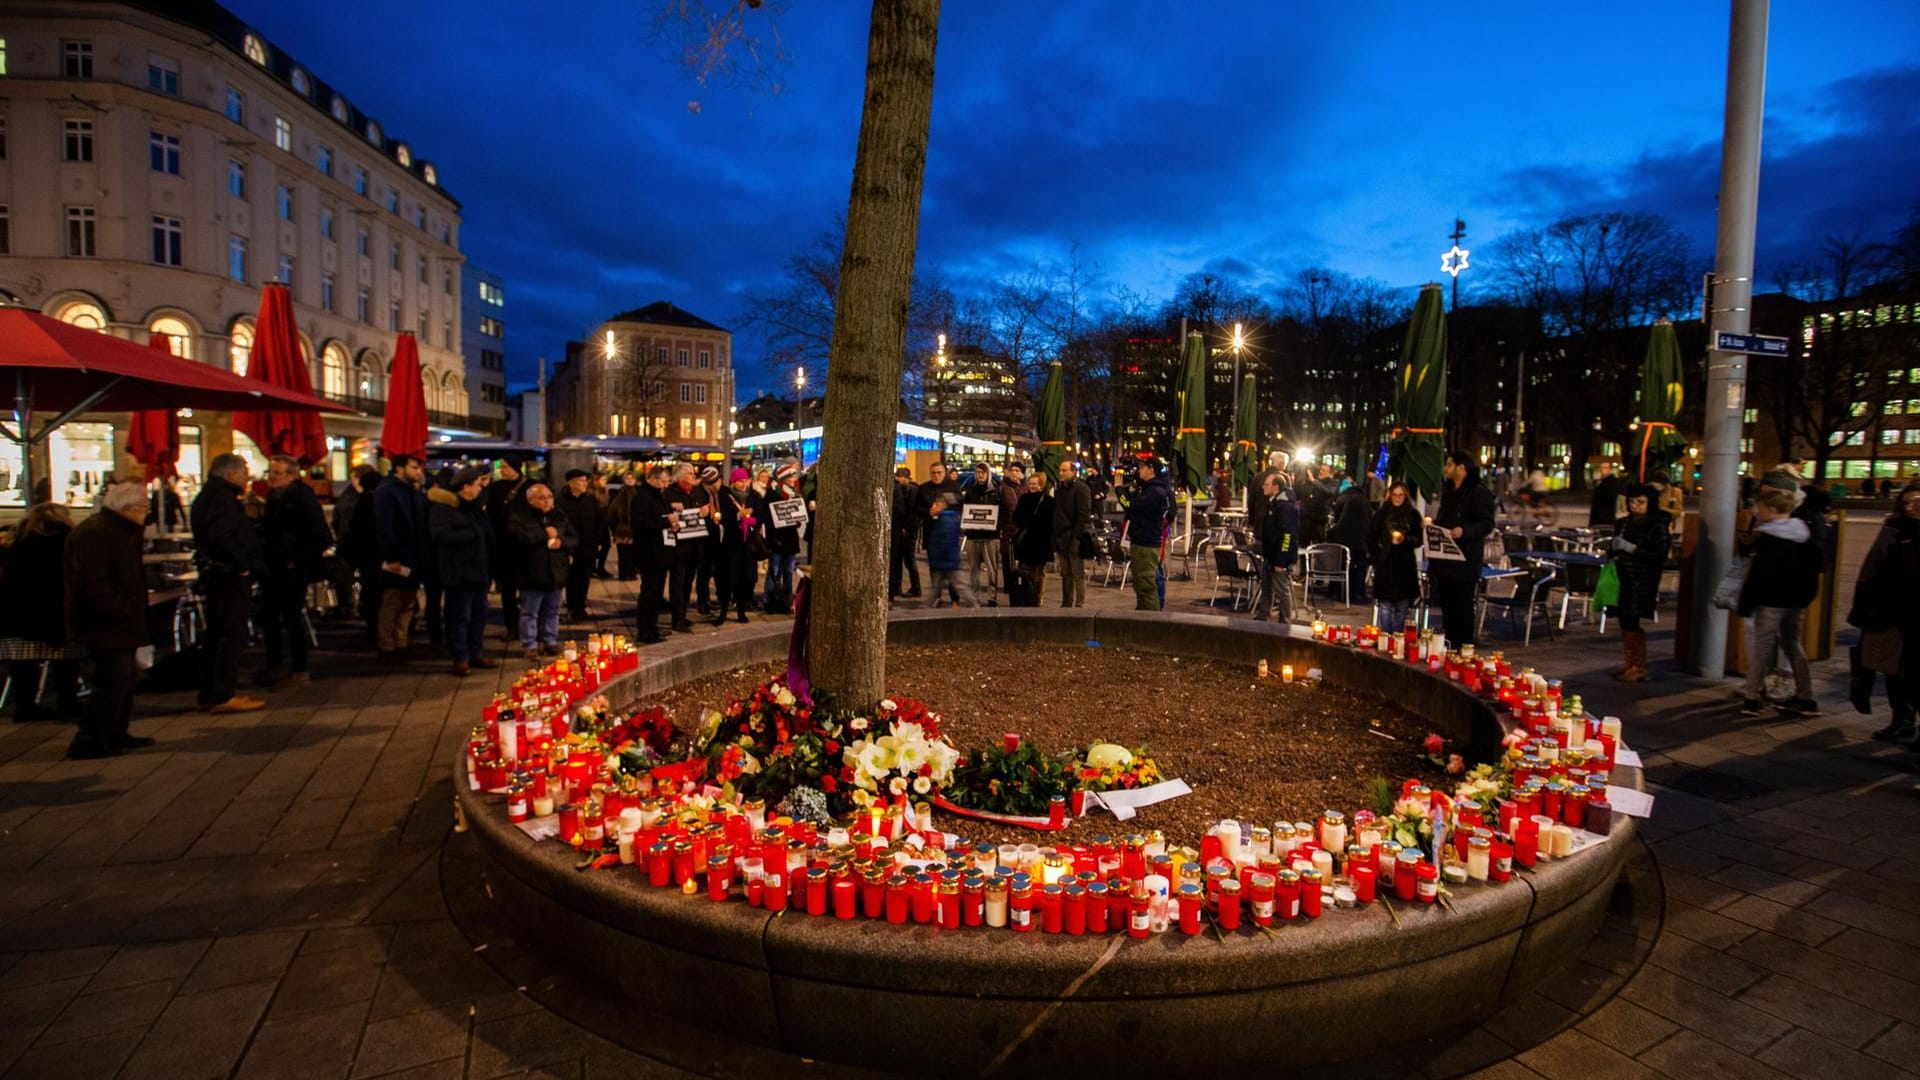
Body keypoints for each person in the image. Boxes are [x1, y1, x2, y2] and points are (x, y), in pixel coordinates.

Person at [63, 483, 151, 758]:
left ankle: (114, 733)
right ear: (129, 508)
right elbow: (93, 582)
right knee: (111, 680)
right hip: (103, 621)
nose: (147, 513)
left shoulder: (120, 530)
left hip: (116, 619)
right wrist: (121, 608)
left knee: (123, 679)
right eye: (144, 508)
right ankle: (90, 740)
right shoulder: (98, 533)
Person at [190, 453, 267, 712]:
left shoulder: (212, 496)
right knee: (230, 633)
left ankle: (211, 692)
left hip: (220, 573)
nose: (247, 478)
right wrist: (242, 564)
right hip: (227, 575)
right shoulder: (222, 499)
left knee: (218, 633)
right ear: (231, 474)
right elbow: (221, 536)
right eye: (244, 473)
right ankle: (222, 694)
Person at [1735, 487, 1821, 715]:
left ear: (1771, 510)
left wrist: (1746, 601)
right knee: (1793, 645)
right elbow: (1814, 568)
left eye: (1759, 508)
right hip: (1796, 601)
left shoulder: (1770, 537)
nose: (1756, 512)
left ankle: (1752, 696)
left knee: (1762, 646)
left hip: (1770, 600)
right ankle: (1806, 697)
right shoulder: (1803, 533)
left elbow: (1759, 574)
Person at [1852, 482, 1920, 746]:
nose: (1913, 508)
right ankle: (1901, 719)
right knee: (1893, 669)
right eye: (1908, 503)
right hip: (1893, 611)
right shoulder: (1894, 529)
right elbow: (1873, 568)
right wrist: (1864, 608)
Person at [0, 502, 80, 722]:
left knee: (23, 664)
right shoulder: (65, 539)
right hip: (53, 609)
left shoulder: (18, 539)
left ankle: (25, 706)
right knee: (65, 660)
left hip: (18, 613)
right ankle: (67, 704)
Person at [259, 455, 332, 686]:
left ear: (292, 475)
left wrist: (296, 559)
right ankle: (276, 663)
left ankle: (299, 666)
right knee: (269, 616)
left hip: (292, 568)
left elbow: (321, 537)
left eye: (276, 473)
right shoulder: (273, 497)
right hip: (272, 567)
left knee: (291, 616)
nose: (271, 477)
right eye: (269, 472)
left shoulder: (302, 499)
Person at [430, 465, 497, 675]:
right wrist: (470, 534)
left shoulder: (475, 508)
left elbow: (487, 536)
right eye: (477, 485)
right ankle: (460, 657)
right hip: (458, 574)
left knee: (479, 615)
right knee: (460, 617)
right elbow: (440, 536)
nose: (480, 489)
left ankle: (476, 653)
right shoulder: (443, 508)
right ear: (465, 486)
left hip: (479, 573)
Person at [1429, 450, 1497, 649]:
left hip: (1464, 562)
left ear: (1461, 468)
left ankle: (1464, 650)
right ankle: (1451, 646)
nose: (1446, 469)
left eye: (1449, 465)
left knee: (1462, 608)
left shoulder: (1478, 492)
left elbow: (1487, 524)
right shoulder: (1449, 491)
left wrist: (1464, 530)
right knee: (1448, 608)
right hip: (1445, 562)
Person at [1607, 484, 1672, 682]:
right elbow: (1615, 546)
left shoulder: (1656, 524)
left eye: (1640, 502)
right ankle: (1630, 662)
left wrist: (1632, 549)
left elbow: (1659, 554)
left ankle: (1639, 666)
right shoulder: (1625, 522)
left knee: (1632, 619)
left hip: (1641, 579)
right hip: (1622, 577)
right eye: (1632, 501)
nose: (1635, 505)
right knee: (1624, 619)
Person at [373, 454, 429, 664]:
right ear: (399, 468)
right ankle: (386, 644)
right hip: (398, 556)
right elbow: (385, 527)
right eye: (414, 467)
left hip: (413, 556)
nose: (418, 472)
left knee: (407, 601)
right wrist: (392, 557)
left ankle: (401, 641)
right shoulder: (387, 491)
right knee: (392, 600)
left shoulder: (409, 490)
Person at [510, 482, 576, 658]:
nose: (547, 501)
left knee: (552, 611)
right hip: (532, 572)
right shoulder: (521, 517)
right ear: (530, 500)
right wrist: (546, 535)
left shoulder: (559, 515)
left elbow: (573, 538)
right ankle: (529, 644)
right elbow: (520, 538)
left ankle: (550, 641)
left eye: (549, 497)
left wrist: (561, 542)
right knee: (529, 612)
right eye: (541, 498)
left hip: (556, 572)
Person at [664, 463, 714, 632]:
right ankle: (676, 619)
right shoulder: (670, 493)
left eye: (693, 472)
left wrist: (706, 512)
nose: (693, 476)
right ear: (679, 476)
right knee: (677, 584)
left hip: (695, 545)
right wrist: (672, 509)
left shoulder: (698, 491)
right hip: (679, 547)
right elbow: (665, 516)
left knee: (687, 583)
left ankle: (683, 614)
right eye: (688, 473)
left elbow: (704, 512)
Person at [630, 464, 676, 643]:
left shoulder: (658, 495)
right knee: (649, 592)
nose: (665, 485)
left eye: (667, 482)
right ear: (653, 479)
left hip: (661, 551)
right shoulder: (642, 497)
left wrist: (671, 522)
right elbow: (642, 524)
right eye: (663, 481)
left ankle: (652, 627)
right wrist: (666, 522)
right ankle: (645, 630)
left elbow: (660, 517)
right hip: (649, 552)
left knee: (656, 593)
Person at [487, 456, 531, 637]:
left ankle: (529, 627)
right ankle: (511, 626)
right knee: (507, 590)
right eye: (501, 467)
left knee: (528, 590)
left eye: (505, 467)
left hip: (526, 547)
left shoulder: (530, 487)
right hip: (504, 547)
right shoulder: (496, 488)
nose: (502, 470)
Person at [1369, 481, 1423, 631]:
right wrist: (1377, 557)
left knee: (1402, 608)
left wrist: (1405, 539)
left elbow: (1419, 540)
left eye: (1401, 495)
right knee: (1385, 607)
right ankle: (1386, 637)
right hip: (1386, 564)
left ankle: (1397, 640)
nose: (1398, 498)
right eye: (1395, 495)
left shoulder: (1413, 515)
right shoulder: (1382, 514)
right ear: (1390, 496)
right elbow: (1371, 537)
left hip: (1405, 566)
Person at [1124, 458, 1173, 611]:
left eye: (1142, 467)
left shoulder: (1154, 492)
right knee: (1141, 584)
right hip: (1142, 540)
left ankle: (1151, 621)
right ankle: (1143, 617)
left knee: (1147, 585)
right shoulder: (1150, 489)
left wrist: (1120, 490)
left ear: (1151, 469)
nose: (1139, 471)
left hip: (1146, 542)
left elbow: (1131, 506)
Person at [714, 467, 760, 625]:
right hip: (731, 544)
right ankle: (724, 610)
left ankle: (741, 610)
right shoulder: (726, 497)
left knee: (744, 579)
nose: (743, 484)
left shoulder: (753, 497)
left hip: (747, 545)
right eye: (740, 481)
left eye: (745, 480)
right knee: (728, 578)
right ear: (734, 482)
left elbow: (760, 516)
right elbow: (724, 519)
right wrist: (737, 517)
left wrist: (751, 520)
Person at [1252, 473, 1299, 624]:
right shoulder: (1275, 504)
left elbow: (1287, 535)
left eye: (1266, 485)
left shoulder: (1284, 507)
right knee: (1267, 588)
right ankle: (1263, 616)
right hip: (1271, 555)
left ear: (1276, 487)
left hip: (1279, 558)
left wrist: (1281, 561)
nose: (1263, 487)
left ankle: (1285, 621)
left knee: (1281, 590)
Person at [557, 469, 603, 621]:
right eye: (580, 481)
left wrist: (600, 541)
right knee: (572, 581)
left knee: (585, 579)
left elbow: (599, 522)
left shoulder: (590, 499)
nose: (584, 484)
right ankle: (572, 608)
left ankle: (580, 607)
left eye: (585, 481)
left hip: (588, 547)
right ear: (571, 483)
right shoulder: (561, 501)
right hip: (570, 549)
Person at [919, 462, 963, 604]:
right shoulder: (924, 488)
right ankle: (936, 598)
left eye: (939, 473)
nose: (936, 476)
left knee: (952, 574)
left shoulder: (953, 486)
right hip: (932, 534)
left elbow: (959, 503)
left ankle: (954, 599)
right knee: (934, 570)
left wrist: (943, 508)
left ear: (945, 473)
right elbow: (916, 508)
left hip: (949, 534)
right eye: (933, 473)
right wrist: (928, 512)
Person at [961, 463, 1003, 607]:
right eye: (978, 472)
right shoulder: (970, 491)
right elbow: (965, 510)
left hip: (990, 537)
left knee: (992, 569)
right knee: (973, 570)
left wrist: (996, 527)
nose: (980, 475)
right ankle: (974, 596)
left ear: (988, 474)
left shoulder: (997, 491)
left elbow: (1002, 512)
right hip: (973, 536)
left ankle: (992, 597)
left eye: (983, 473)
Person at [1052, 461, 1093, 609]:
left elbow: (1083, 515)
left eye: (1064, 470)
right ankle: (1067, 602)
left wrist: (1075, 536)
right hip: (1060, 536)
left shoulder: (1081, 489)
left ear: (1073, 472)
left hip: (1074, 537)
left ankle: (1080, 603)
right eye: (1060, 470)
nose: (1061, 473)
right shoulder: (1060, 489)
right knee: (1065, 573)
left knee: (1077, 574)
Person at [762, 464, 802, 612]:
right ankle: (770, 600)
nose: (794, 479)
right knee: (774, 570)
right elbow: (768, 518)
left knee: (788, 571)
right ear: (784, 478)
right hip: (777, 538)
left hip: (790, 539)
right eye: (791, 476)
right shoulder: (772, 494)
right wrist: (773, 538)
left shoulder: (794, 493)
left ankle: (786, 601)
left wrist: (798, 518)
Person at [1011, 472, 1055, 605]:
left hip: (1041, 543)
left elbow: (1050, 522)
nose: (1032, 486)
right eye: (1030, 483)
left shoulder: (1049, 501)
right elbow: (1016, 517)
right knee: (1025, 572)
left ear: (1041, 485)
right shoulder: (1024, 498)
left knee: (1039, 574)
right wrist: (1026, 522)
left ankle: (1037, 599)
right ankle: (1025, 596)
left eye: (1035, 484)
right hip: (1026, 542)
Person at [1330, 481, 1372, 602]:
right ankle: (1358, 593)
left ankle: (1336, 592)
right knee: (1360, 566)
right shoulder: (1364, 501)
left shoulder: (1341, 499)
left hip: (1343, 539)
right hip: (1360, 541)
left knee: (1340, 565)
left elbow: (1337, 519)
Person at [889, 465, 923, 601]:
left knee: (908, 560)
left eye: (900, 477)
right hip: (905, 530)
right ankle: (900, 588)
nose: (899, 479)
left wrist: (907, 528)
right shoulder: (905, 489)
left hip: (907, 531)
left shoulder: (912, 491)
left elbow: (910, 512)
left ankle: (914, 587)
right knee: (901, 560)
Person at [695, 466, 726, 614]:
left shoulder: (715, 494)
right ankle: (702, 601)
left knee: (710, 571)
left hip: (714, 538)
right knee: (703, 572)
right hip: (704, 540)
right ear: (712, 482)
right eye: (718, 480)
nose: (720, 483)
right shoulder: (701, 494)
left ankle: (707, 599)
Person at [606, 469, 639, 581]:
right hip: (625, 528)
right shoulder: (627, 493)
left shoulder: (624, 492)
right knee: (627, 553)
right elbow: (613, 511)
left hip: (623, 528)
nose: (630, 480)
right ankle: (627, 573)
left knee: (627, 553)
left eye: (632, 478)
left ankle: (625, 574)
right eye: (627, 478)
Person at [998, 462, 1025, 594]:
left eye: (1017, 470)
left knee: (1022, 560)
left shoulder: (1025, 488)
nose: (1014, 473)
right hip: (1008, 528)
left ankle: (1021, 584)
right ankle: (1009, 586)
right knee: (1007, 558)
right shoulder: (1003, 488)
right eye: (1012, 470)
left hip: (1022, 530)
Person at [591, 472, 613, 578]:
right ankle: (593, 568)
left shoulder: (605, 491)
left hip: (604, 523)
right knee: (596, 547)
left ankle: (600, 567)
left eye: (605, 479)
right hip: (595, 524)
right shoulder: (591, 493)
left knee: (606, 545)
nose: (605, 482)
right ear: (596, 481)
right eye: (603, 480)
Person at [1589, 463, 1622, 529]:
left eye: (1604, 468)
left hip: (1605, 518)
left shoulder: (1612, 482)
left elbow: (1611, 498)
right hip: (1599, 518)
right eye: (1601, 468)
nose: (1601, 470)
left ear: (1610, 469)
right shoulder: (1602, 482)